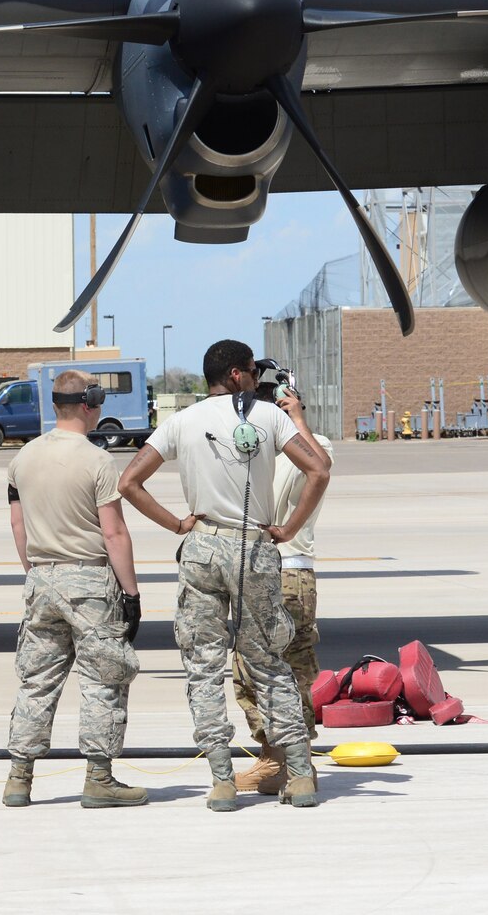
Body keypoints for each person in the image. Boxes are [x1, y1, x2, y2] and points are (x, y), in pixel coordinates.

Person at [118, 339, 331, 812]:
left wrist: (176, 523)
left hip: (203, 546)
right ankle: (299, 774)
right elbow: (319, 469)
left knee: (204, 667)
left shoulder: (180, 422)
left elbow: (128, 482)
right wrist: (289, 527)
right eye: (253, 371)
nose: (258, 380)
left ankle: (221, 780)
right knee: (268, 660)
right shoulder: (270, 418)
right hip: (255, 546)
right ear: (237, 374)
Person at [3, 369, 147, 809]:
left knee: (37, 680)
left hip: (42, 579)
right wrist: (132, 594)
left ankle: (19, 778)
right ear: (89, 403)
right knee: (104, 678)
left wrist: (36, 572)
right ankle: (99, 778)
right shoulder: (98, 460)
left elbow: (17, 522)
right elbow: (115, 532)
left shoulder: (22, 458)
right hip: (89, 582)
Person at [231, 359, 330, 797]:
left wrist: (294, 421)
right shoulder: (255, 446)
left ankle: (284, 760)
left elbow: (320, 464)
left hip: (285, 569)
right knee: (260, 672)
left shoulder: (302, 444)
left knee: (284, 671)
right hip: (264, 568)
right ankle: (284, 759)